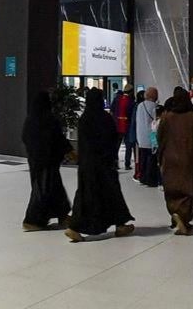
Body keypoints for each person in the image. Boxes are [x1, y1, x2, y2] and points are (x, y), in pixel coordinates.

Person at [66, 89, 136, 241]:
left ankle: (74, 227)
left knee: (85, 195)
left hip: (87, 165)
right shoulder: (105, 118)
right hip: (104, 164)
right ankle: (119, 224)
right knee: (112, 193)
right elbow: (112, 140)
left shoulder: (84, 119)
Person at [158, 87, 193, 235]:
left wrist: (160, 158)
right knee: (191, 189)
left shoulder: (166, 117)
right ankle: (184, 218)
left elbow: (160, 139)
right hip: (190, 160)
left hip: (170, 160)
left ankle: (175, 216)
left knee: (172, 189)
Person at [21, 90, 72, 232]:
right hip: (48, 161)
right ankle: (32, 220)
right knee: (43, 190)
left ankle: (62, 215)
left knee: (52, 188)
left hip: (36, 161)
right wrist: (68, 150)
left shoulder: (30, 120)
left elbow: (25, 138)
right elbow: (57, 138)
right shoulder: (49, 119)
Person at [133, 87, 159, 185]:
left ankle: (142, 177)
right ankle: (151, 179)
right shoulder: (155, 107)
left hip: (140, 136)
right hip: (152, 136)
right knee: (152, 158)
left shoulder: (140, 106)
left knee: (143, 158)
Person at [111, 84, 135, 170]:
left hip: (117, 125)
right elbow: (132, 114)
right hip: (127, 126)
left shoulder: (117, 98)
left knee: (116, 146)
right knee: (128, 146)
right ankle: (127, 164)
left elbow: (112, 109)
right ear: (131, 92)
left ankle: (115, 163)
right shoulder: (131, 101)